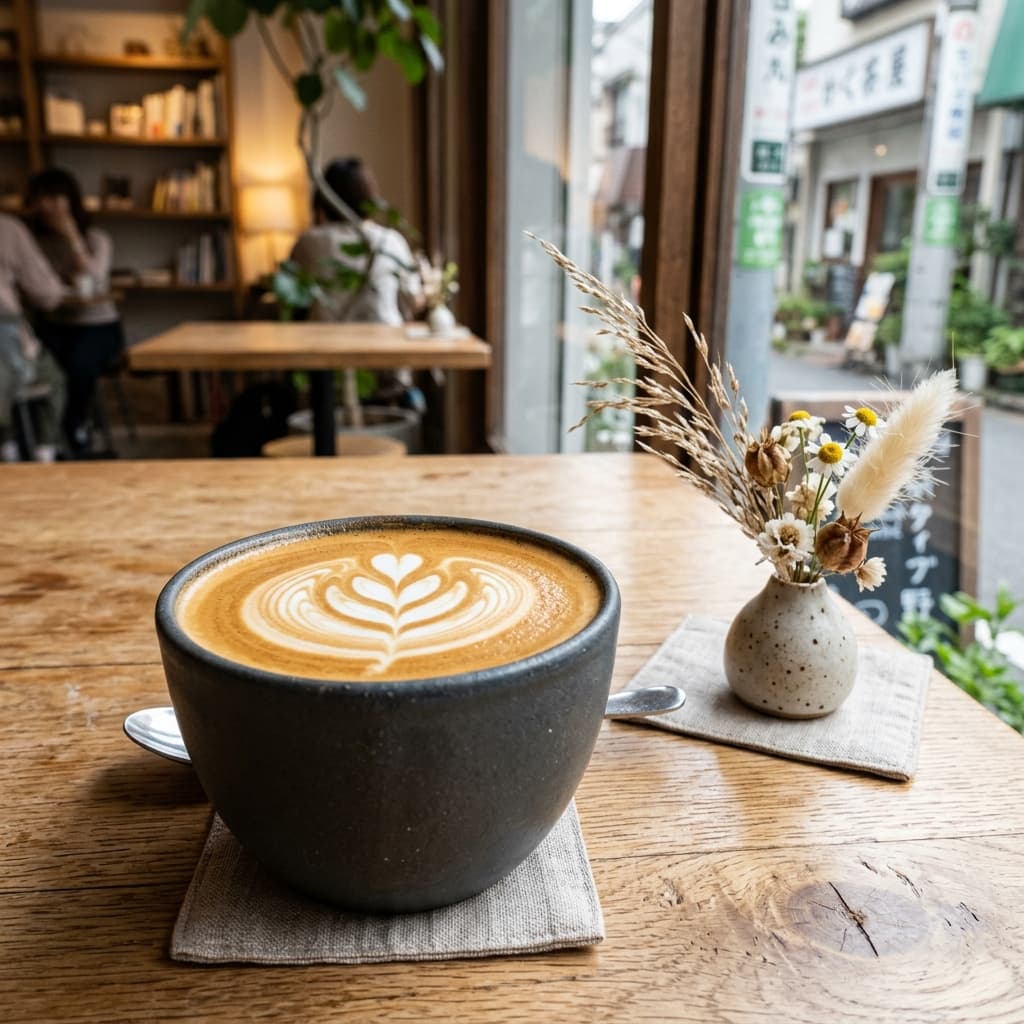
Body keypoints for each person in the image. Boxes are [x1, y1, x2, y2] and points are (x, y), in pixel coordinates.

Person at [26, 168, 125, 455]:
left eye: (55, 197)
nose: (47, 206)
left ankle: (74, 426)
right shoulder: (34, 243)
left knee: (80, 366)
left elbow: (95, 281)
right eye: (41, 198)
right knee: (42, 368)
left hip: (98, 325)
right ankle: (46, 438)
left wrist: (70, 235)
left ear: (70, 201)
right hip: (54, 323)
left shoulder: (96, 239)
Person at [289, 157, 420, 327]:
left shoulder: (308, 242)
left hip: (323, 343)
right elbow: (412, 302)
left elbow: (294, 304)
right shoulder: (390, 240)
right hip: (385, 341)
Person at [0, 212, 66, 462]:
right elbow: (47, 293)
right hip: (7, 347)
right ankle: (43, 452)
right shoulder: (7, 229)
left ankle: (7, 444)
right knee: (53, 378)